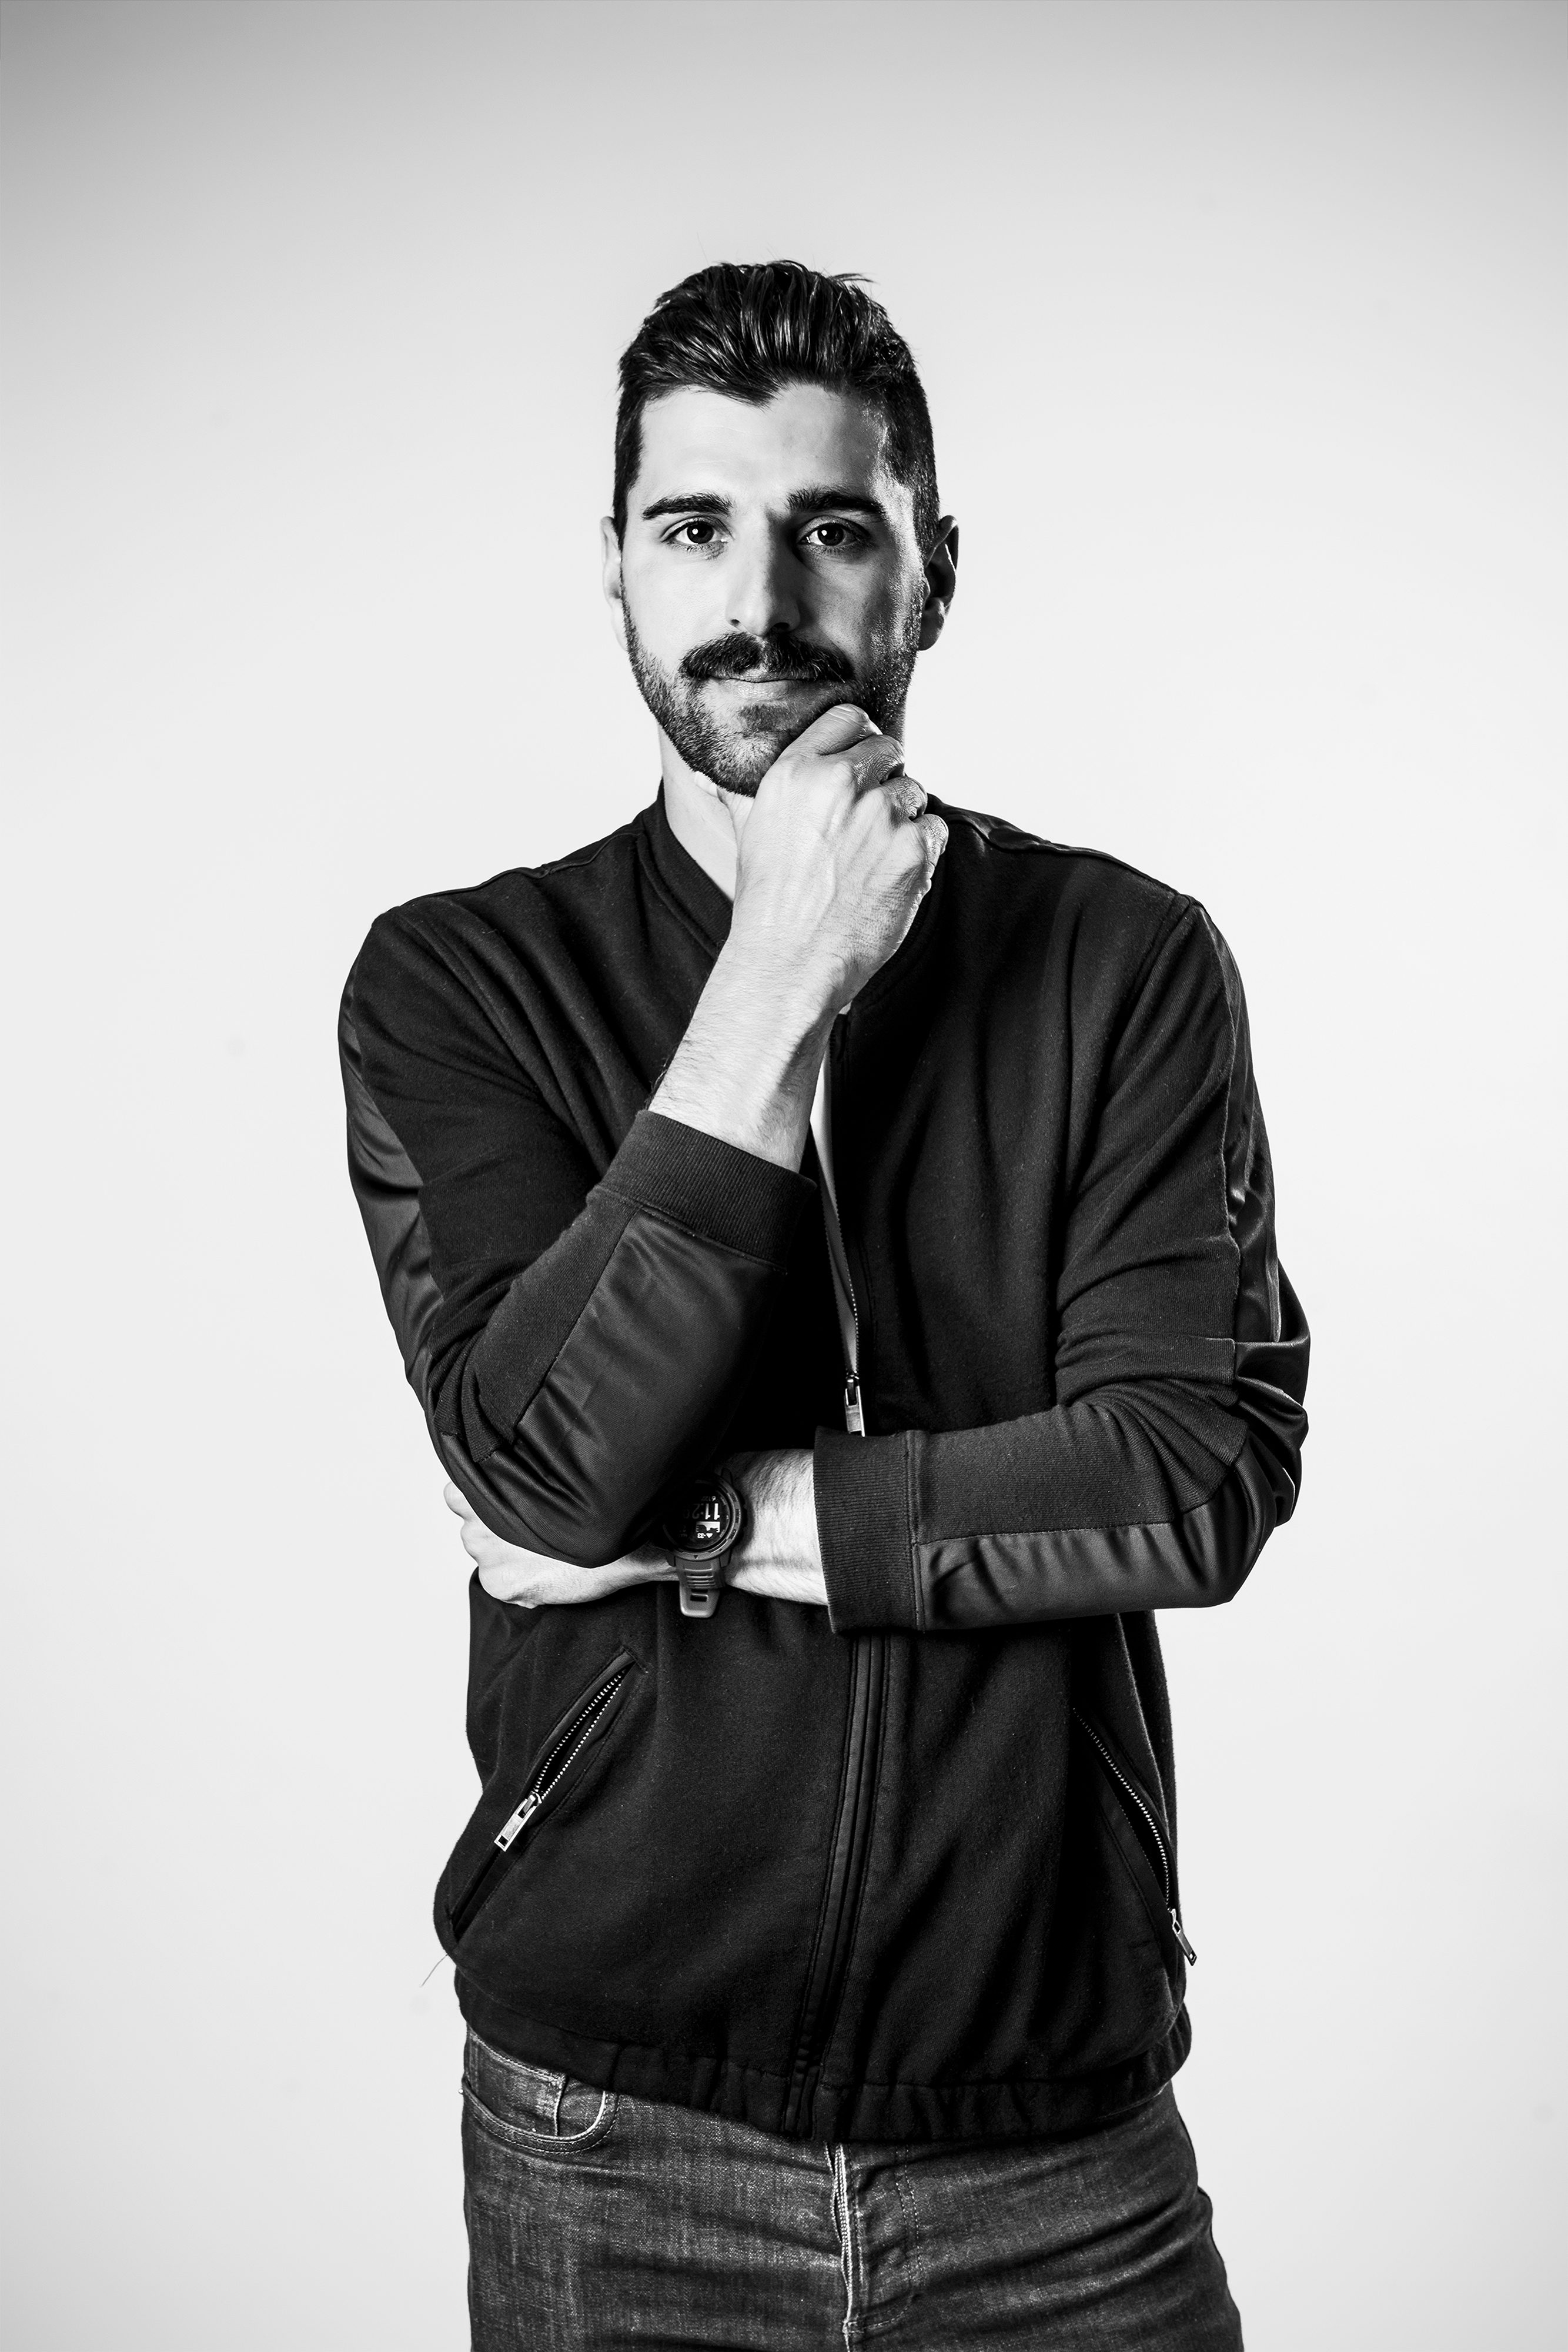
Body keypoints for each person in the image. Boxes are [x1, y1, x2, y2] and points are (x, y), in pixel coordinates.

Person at [340, 259, 1309, 2350]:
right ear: (615, 566)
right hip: (613, 2130)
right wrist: (780, 970)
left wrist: (698, 1524)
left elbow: (1187, 1474)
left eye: (831, 528)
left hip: (1051, 2143)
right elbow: (541, 1467)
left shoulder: (1123, 965)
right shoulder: (457, 983)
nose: (758, 599)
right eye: (693, 526)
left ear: (931, 573)